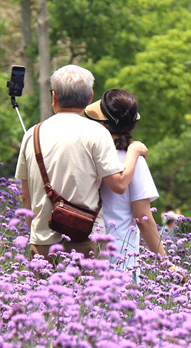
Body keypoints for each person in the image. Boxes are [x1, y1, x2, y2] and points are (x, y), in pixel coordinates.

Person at [15, 65, 149, 265]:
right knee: (85, 296)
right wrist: (134, 151)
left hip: (42, 244)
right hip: (85, 242)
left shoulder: (32, 135)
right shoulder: (96, 133)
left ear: (54, 98)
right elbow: (119, 185)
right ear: (89, 98)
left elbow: (26, 196)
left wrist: (37, 231)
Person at [85, 89, 184, 282]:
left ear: (103, 124)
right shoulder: (134, 161)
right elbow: (143, 218)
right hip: (120, 258)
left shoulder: (88, 156)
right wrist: (166, 263)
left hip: (86, 255)